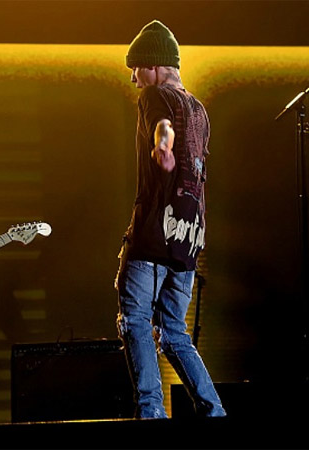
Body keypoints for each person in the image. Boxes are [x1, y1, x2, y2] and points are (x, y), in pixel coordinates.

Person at [114, 20, 226, 419]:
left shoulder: (155, 95)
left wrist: (163, 148)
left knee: (135, 321)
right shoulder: (199, 109)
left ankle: (152, 415)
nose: (133, 79)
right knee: (175, 331)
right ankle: (214, 412)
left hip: (153, 232)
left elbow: (163, 128)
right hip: (189, 237)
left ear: (154, 65)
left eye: (136, 68)